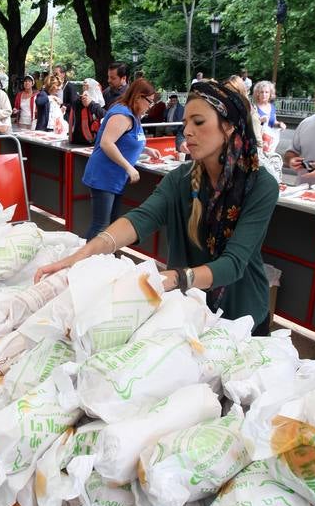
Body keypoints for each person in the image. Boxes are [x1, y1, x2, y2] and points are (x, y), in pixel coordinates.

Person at [36, 80, 279, 333]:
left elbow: (234, 263)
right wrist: (84, 254)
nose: (188, 132)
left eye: (198, 122)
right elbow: (140, 218)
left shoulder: (260, 185)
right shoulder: (181, 179)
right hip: (189, 312)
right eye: (185, 124)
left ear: (228, 126)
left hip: (242, 318)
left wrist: (170, 279)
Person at [80, 78, 162, 239]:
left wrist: (146, 149)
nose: (150, 106)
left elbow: (125, 139)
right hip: (104, 176)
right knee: (101, 226)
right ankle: (82, 260)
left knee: (110, 226)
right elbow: (107, 143)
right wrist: (128, 167)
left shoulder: (132, 113)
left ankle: (106, 259)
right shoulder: (123, 114)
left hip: (115, 178)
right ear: (139, 97)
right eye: (149, 101)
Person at [68, 78, 105, 146]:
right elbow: (105, 116)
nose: (84, 87)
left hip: (77, 139)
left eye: (86, 85)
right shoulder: (80, 102)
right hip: (88, 140)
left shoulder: (78, 101)